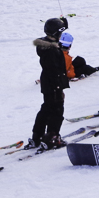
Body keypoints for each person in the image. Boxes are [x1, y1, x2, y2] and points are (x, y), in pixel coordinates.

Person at [31, 17, 70, 150]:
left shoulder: (47, 45)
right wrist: (58, 86)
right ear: (55, 34)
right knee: (57, 110)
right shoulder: (51, 51)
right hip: (53, 84)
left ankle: (38, 135)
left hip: (48, 84)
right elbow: (54, 69)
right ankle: (52, 136)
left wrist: (64, 24)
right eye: (60, 33)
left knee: (46, 108)